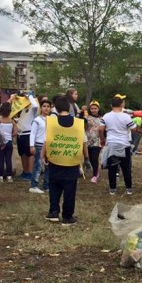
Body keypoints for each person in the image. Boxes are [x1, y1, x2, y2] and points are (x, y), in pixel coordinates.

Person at [41, 96, 87, 225]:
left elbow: (47, 139)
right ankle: (67, 216)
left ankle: (54, 212)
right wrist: (86, 158)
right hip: (72, 160)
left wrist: (42, 155)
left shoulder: (51, 122)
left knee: (54, 186)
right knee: (70, 189)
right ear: (69, 107)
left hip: (55, 159)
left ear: (55, 107)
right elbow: (83, 142)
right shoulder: (78, 123)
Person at [100, 95, 136, 196]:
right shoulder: (126, 116)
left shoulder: (106, 116)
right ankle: (128, 188)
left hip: (112, 144)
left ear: (111, 105)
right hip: (124, 144)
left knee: (112, 168)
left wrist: (103, 140)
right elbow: (133, 128)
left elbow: (100, 129)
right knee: (126, 168)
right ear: (121, 104)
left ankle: (112, 189)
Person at [14, 92, 39, 180]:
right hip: (20, 134)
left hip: (28, 133)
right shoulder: (24, 109)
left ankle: (30, 172)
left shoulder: (33, 107)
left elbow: (35, 106)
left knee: (30, 153)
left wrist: (30, 96)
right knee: (22, 153)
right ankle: (25, 171)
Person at [29, 98, 52, 194]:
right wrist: (31, 145)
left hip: (48, 145)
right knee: (38, 165)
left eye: (48, 107)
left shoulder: (52, 120)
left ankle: (46, 185)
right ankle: (34, 185)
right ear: (41, 108)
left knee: (48, 166)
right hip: (39, 145)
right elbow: (33, 133)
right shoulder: (37, 120)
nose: (46, 108)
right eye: (44, 106)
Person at [0, 102, 17, 183]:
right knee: (8, 159)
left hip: (0, 142)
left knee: (0, 159)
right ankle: (9, 176)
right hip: (9, 142)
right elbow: (15, 132)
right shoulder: (12, 121)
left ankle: (0, 176)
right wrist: (10, 135)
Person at [85, 101, 103, 183]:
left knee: (95, 158)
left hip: (97, 141)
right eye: (92, 108)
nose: (93, 110)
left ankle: (95, 175)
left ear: (98, 109)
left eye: (95, 108)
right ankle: (95, 171)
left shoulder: (102, 119)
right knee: (90, 158)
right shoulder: (87, 117)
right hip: (88, 140)